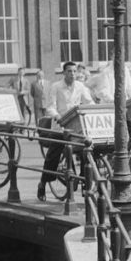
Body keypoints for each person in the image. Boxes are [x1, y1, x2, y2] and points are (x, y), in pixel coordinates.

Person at [37, 60, 95, 201]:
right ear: (64, 73)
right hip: (60, 126)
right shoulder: (56, 87)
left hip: (75, 126)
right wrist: (58, 117)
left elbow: (89, 102)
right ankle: (42, 184)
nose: (72, 74)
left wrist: (94, 109)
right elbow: (50, 107)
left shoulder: (80, 86)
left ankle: (85, 183)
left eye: (75, 71)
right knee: (53, 155)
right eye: (69, 71)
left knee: (86, 151)